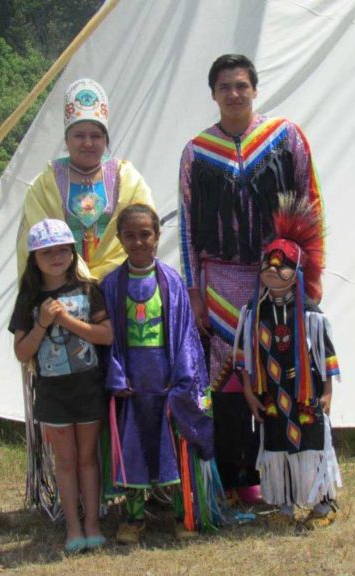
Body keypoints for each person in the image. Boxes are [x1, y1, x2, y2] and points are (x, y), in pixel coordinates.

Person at [178, 54, 326, 496]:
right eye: (225, 87)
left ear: (255, 89)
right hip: (220, 282)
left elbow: (310, 205)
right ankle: (236, 477)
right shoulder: (196, 152)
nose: (234, 94)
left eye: (241, 85)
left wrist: (309, 275)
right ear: (213, 94)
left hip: (275, 277)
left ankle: (285, 476)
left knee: (279, 370)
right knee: (226, 384)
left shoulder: (285, 138)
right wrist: (195, 291)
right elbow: (187, 226)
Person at [101, 204, 223, 544]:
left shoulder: (172, 281)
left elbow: (185, 333)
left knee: (176, 443)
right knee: (134, 446)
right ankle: (134, 516)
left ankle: (183, 512)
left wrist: (182, 377)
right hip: (132, 382)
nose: (139, 242)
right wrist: (117, 375)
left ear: (157, 236)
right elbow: (106, 336)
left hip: (168, 380)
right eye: (130, 235)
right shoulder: (111, 285)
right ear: (120, 239)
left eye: (146, 234)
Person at [235, 193, 341, 527]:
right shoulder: (253, 314)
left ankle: (324, 504)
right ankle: (283, 504)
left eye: (282, 265)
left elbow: (328, 357)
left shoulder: (311, 315)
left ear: (296, 272)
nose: (273, 270)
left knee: (311, 444)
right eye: (268, 263)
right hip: (271, 396)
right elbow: (244, 361)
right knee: (277, 446)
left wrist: (327, 392)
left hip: (304, 394)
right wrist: (250, 394)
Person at [9, 218, 113, 554]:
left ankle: (93, 525)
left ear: (72, 252)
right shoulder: (28, 299)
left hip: (88, 388)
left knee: (88, 459)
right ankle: (72, 527)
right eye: (47, 252)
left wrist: (68, 321)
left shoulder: (88, 289)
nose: (56, 257)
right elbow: (23, 353)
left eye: (62, 250)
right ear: (34, 258)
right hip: (53, 394)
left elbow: (107, 335)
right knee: (65, 463)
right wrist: (43, 322)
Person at [17, 77, 154, 282]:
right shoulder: (46, 184)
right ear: (66, 139)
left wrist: (105, 278)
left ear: (106, 140)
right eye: (79, 135)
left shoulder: (126, 178)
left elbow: (146, 231)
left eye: (96, 136)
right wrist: (78, 278)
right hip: (63, 288)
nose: (88, 143)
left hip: (120, 284)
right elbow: (36, 240)